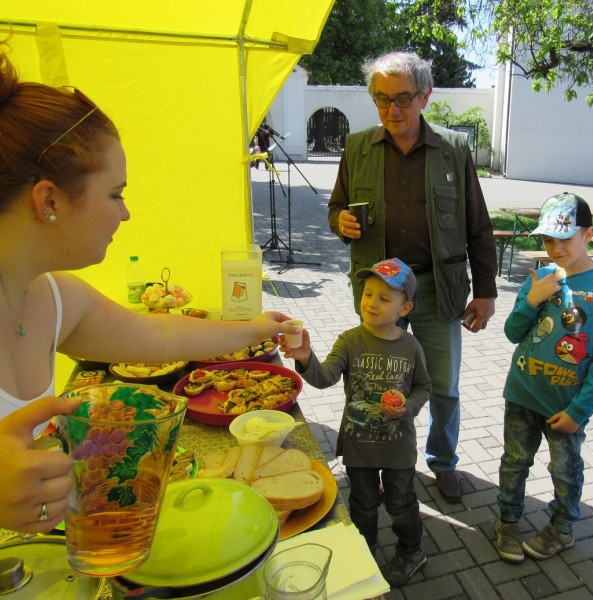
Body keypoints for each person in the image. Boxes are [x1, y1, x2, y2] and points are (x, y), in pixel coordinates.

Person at [0, 47, 299, 534]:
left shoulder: (54, 297)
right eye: (115, 194)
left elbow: (160, 335)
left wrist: (256, 328)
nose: (125, 213)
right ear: (49, 200)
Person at [328, 51, 498, 503]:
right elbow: (336, 206)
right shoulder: (357, 148)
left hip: (437, 289)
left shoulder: (453, 149)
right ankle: (381, 460)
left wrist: (485, 291)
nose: (392, 110)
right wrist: (340, 221)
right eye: (382, 99)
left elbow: (478, 224)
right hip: (379, 292)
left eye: (402, 98)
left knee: (442, 385)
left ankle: (443, 461)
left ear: (425, 96)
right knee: (377, 382)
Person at [281, 258, 431, 588]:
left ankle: (412, 551)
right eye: (368, 293)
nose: (371, 303)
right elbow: (325, 378)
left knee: (401, 503)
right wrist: (305, 357)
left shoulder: (411, 346)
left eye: (384, 298)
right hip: (359, 445)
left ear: (404, 308)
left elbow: (424, 387)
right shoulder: (350, 340)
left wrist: (407, 408)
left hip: (398, 447)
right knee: (362, 505)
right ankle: (364, 551)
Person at [494, 193, 593, 563]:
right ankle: (508, 522)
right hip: (522, 393)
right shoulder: (542, 276)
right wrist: (531, 299)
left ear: (589, 234)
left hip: (565, 407)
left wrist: (580, 412)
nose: (556, 248)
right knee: (515, 462)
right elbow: (513, 332)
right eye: (548, 240)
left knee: (565, 470)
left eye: (565, 238)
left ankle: (562, 527)